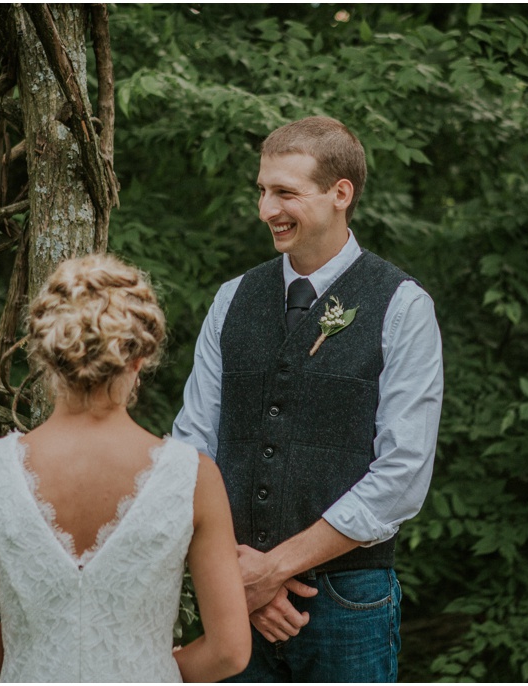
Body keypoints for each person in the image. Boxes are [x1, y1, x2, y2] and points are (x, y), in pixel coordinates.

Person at [170, 116, 443, 682]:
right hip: (235, 594)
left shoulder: (402, 305)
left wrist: (271, 569)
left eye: (285, 193)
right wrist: (235, 572)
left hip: (350, 600)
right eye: (263, 191)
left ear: (340, 194)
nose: (266, 209)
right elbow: (190, 450)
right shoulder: (231, 299)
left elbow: (403, 473)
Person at [0, 253, 251, 682]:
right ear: (140, 356)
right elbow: (229, 652)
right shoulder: (193, 478)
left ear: (46, 353)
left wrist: (35, 655)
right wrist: (143, 664)